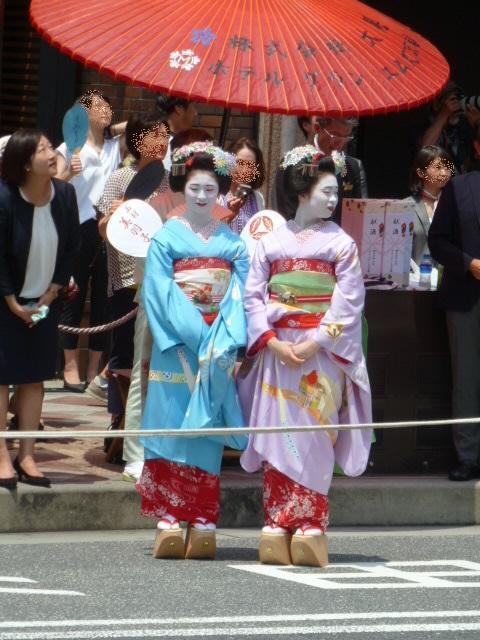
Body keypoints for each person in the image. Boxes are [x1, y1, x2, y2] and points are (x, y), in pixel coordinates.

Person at [238, 145, 372, 567]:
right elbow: (252, 296)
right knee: (279, 433)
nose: (333, 201)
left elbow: (348, 303)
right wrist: (272, 341)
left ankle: (311, 523)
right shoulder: (270, 242)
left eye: (336, 193)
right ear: (301, 191)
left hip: (320, 354)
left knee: (315, 432)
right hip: (279, 350)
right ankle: (277, 520)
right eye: (326, 192)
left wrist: (316, 341)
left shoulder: (342, 245)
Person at [136, 142, 249, 559]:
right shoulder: (166, 238)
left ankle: (202, 515)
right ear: (183, 187)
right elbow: (159, 290)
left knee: (205, 431)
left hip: (217, 341)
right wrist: (195, 333)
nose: (202, 196)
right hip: (178, 345)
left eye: (210, 188)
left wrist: (223, 336)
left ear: (220, 190)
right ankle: (169, 515)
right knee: (170, 423)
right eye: (195, 188)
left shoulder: (233, 243)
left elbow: (239, 294)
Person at [0, 129, 80, 489]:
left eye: (50, 146)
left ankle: (27, 454)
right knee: (1, 380)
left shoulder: (64, 194)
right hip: (6, 304)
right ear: (23, 162)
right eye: (42, 149)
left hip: (45, 302)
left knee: (34, 379)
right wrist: (13, 303)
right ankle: (1, 454)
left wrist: (51, 295)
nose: (51, 153)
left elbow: (71, 248)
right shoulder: (4, 198)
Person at [95, 113, 170, 465]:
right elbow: (103, 228)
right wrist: (114, 217)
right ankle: (119, 422)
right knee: (123, 356)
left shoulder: (172, 182)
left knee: (151, 358)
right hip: (125, 278)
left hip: (161, 281)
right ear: (138, 140)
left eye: (167, 134)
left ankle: (145, 424)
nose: (165, 140)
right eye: (157, 135)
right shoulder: (120, 178)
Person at [56, 90, 126, 392]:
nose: (105, 110)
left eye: (107, 105)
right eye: (98, 106)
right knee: (73, 297)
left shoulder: (114, 148)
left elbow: (136, 127)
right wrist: (69, 173)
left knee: (103, 301)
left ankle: (96, 369)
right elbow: (55, 186)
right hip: (78, 227)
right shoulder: (70, 147)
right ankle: (70, 366)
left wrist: (109, 127)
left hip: (107, 228)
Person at [428, 123, 480, 482]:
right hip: (466, 296)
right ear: (477, 145)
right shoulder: (459, 187)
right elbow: (438, 241)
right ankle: (469, 456)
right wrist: (468, 263)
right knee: (466, 379)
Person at [274, 117, 367, 222]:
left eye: (346, 137)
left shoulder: (351, 166)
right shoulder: (293, 162)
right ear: (317, 128)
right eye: (335, 135)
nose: (340, 143)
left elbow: (359, 212)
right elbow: (285, 208)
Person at [408, 145, 454, 265]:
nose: (444, 173)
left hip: (447, 278)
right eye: (438, 168)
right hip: (415, 278)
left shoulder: (456, 205)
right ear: (421, 173)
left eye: (447, 168)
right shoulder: (406, 206)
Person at [420, 81, 477, 175]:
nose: (456, 103)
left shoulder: (461, 128)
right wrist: (444, 114)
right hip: (439, 186)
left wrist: (475, 125)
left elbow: (476, 154)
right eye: (450, 99)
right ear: (436, 104)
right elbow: (425, 151)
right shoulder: (422, 130)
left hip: (462, 185)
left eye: (458, 98)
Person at [218, 137, 265, 234]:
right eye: (240, 163)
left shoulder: (258, 198)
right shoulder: (217, 196)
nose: (244, 171)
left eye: (250, 165)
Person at [155, 94, 198, 172]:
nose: (195, 113)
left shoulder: (191, 144)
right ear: (179, 109)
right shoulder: (153, 139)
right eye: (193, 107)